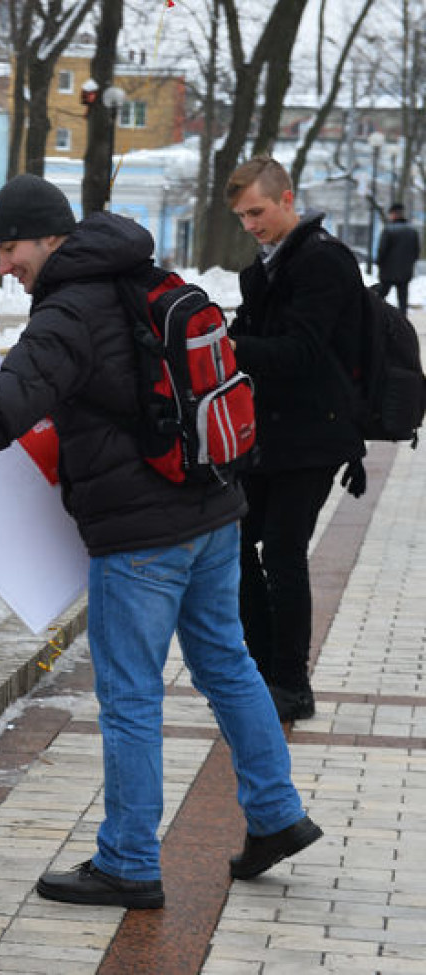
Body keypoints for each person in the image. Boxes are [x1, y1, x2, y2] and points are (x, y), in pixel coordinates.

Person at [0, 173, 321, 910]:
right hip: (212, 511)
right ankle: (276, 813)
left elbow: (4, 408)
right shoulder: (141, 274)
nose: (4, 265)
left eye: (9, 248)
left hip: (142, 537)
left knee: (131, 696)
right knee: (229, 666)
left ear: (49, 237)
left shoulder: (71, 309)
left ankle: (130, 861)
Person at [226, 157, 366, 723]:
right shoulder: (266, 267)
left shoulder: (321, 262)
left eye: (257, 212)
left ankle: (290, 683)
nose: (250, 225)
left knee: (283, 551)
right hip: (270, 433)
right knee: (233, 542)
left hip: (316, 431)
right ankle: (263, 669)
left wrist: (231, 348)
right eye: (240, 217)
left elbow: (303, 353)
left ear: (287, 199)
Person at [375, 201, 419, 313]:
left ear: (393, 214)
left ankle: (375, 317)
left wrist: (379, 263)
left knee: (380, 296)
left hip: (388, 272)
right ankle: (403, 324)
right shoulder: (412, 231)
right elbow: (416, 252)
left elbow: (382, 251)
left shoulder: (388, 230)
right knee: (403, 300)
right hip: (405, 272)